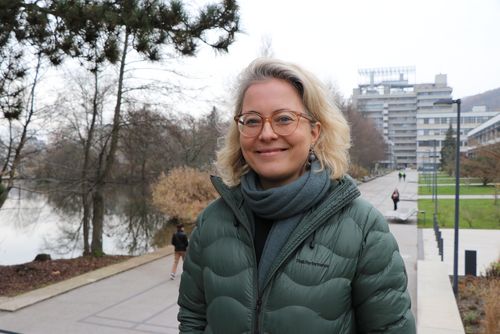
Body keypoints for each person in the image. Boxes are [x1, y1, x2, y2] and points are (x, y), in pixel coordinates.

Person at [178, 58, 415, 333]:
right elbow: (193, 319)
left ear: (314, 132)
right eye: (252, 120)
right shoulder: (212, 222)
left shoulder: (363, 228)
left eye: (284, 119)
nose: (266, 134)